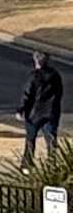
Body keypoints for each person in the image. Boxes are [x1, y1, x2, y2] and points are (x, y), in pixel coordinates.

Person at [23, 46, 65, 175]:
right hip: (51, 111)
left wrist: (22, 109)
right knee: (51, 139)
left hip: (35, 112)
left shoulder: (33, 76)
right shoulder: (55, 75)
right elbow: (59, 92)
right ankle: (52, 164)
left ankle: (27, 164)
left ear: (35, 61)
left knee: (30, 139)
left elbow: (28, 94)